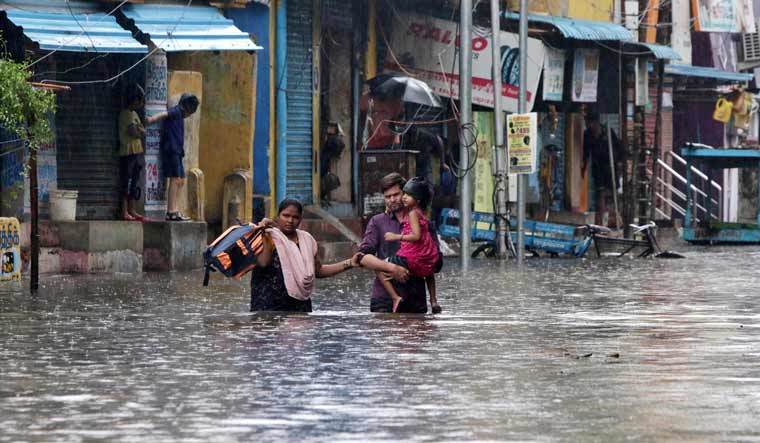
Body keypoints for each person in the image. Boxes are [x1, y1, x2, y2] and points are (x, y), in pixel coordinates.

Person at [250, 199, 361, 312]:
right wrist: (264, 233)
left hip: (299, 305)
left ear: (300, 219)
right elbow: (263, 263)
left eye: (295, 217)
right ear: (278, 216)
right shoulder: (268, 236)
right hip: (268, 306)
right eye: (286, 215)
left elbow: (318, 271)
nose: (290, 220)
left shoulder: (307, 240)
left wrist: (350, 263)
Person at [358, 173, 443, 314]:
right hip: (384, 300)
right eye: (387, 197)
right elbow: (362, 258)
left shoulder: (424, 223)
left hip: (415, 300)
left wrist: (415, 264)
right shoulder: (377, 222)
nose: (392, 200)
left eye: (396, 194)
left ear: (406, 194)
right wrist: (392, 268)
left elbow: (437, 263)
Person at [146, 93, 199, 221]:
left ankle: (175, 209)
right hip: (171, 149)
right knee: (175, 179)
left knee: (180, 180)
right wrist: (152, 119)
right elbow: (165, 113)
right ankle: (171, 211)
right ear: (187, 108)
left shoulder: (180, 114)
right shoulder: (177, 111)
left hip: (177, 151)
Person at [582, 112, 624, 226]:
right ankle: (599, 223)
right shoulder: (587, 135)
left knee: (611, 193)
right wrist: (583, 168)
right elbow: (585, 153)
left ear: (596, 122)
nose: (588, 125)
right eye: (586, 123)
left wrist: (620, 165)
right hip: (598, 168)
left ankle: (613, 219)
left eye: (589, 122)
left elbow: (620, 149)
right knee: (600, 195)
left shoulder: (608, 132)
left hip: (611, 167)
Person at [118, 84, 147, 221]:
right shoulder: (125, 114)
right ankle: (124, 211)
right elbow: (135, 132)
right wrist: (139, 131)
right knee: (126, 182)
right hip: (127, 153)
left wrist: (139, 131)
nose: (141, 104)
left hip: (137, 152)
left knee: (134, 182)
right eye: (139, 101)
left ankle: (132, 210)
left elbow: (141, 130)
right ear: (134, 100)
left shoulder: (134, 114)